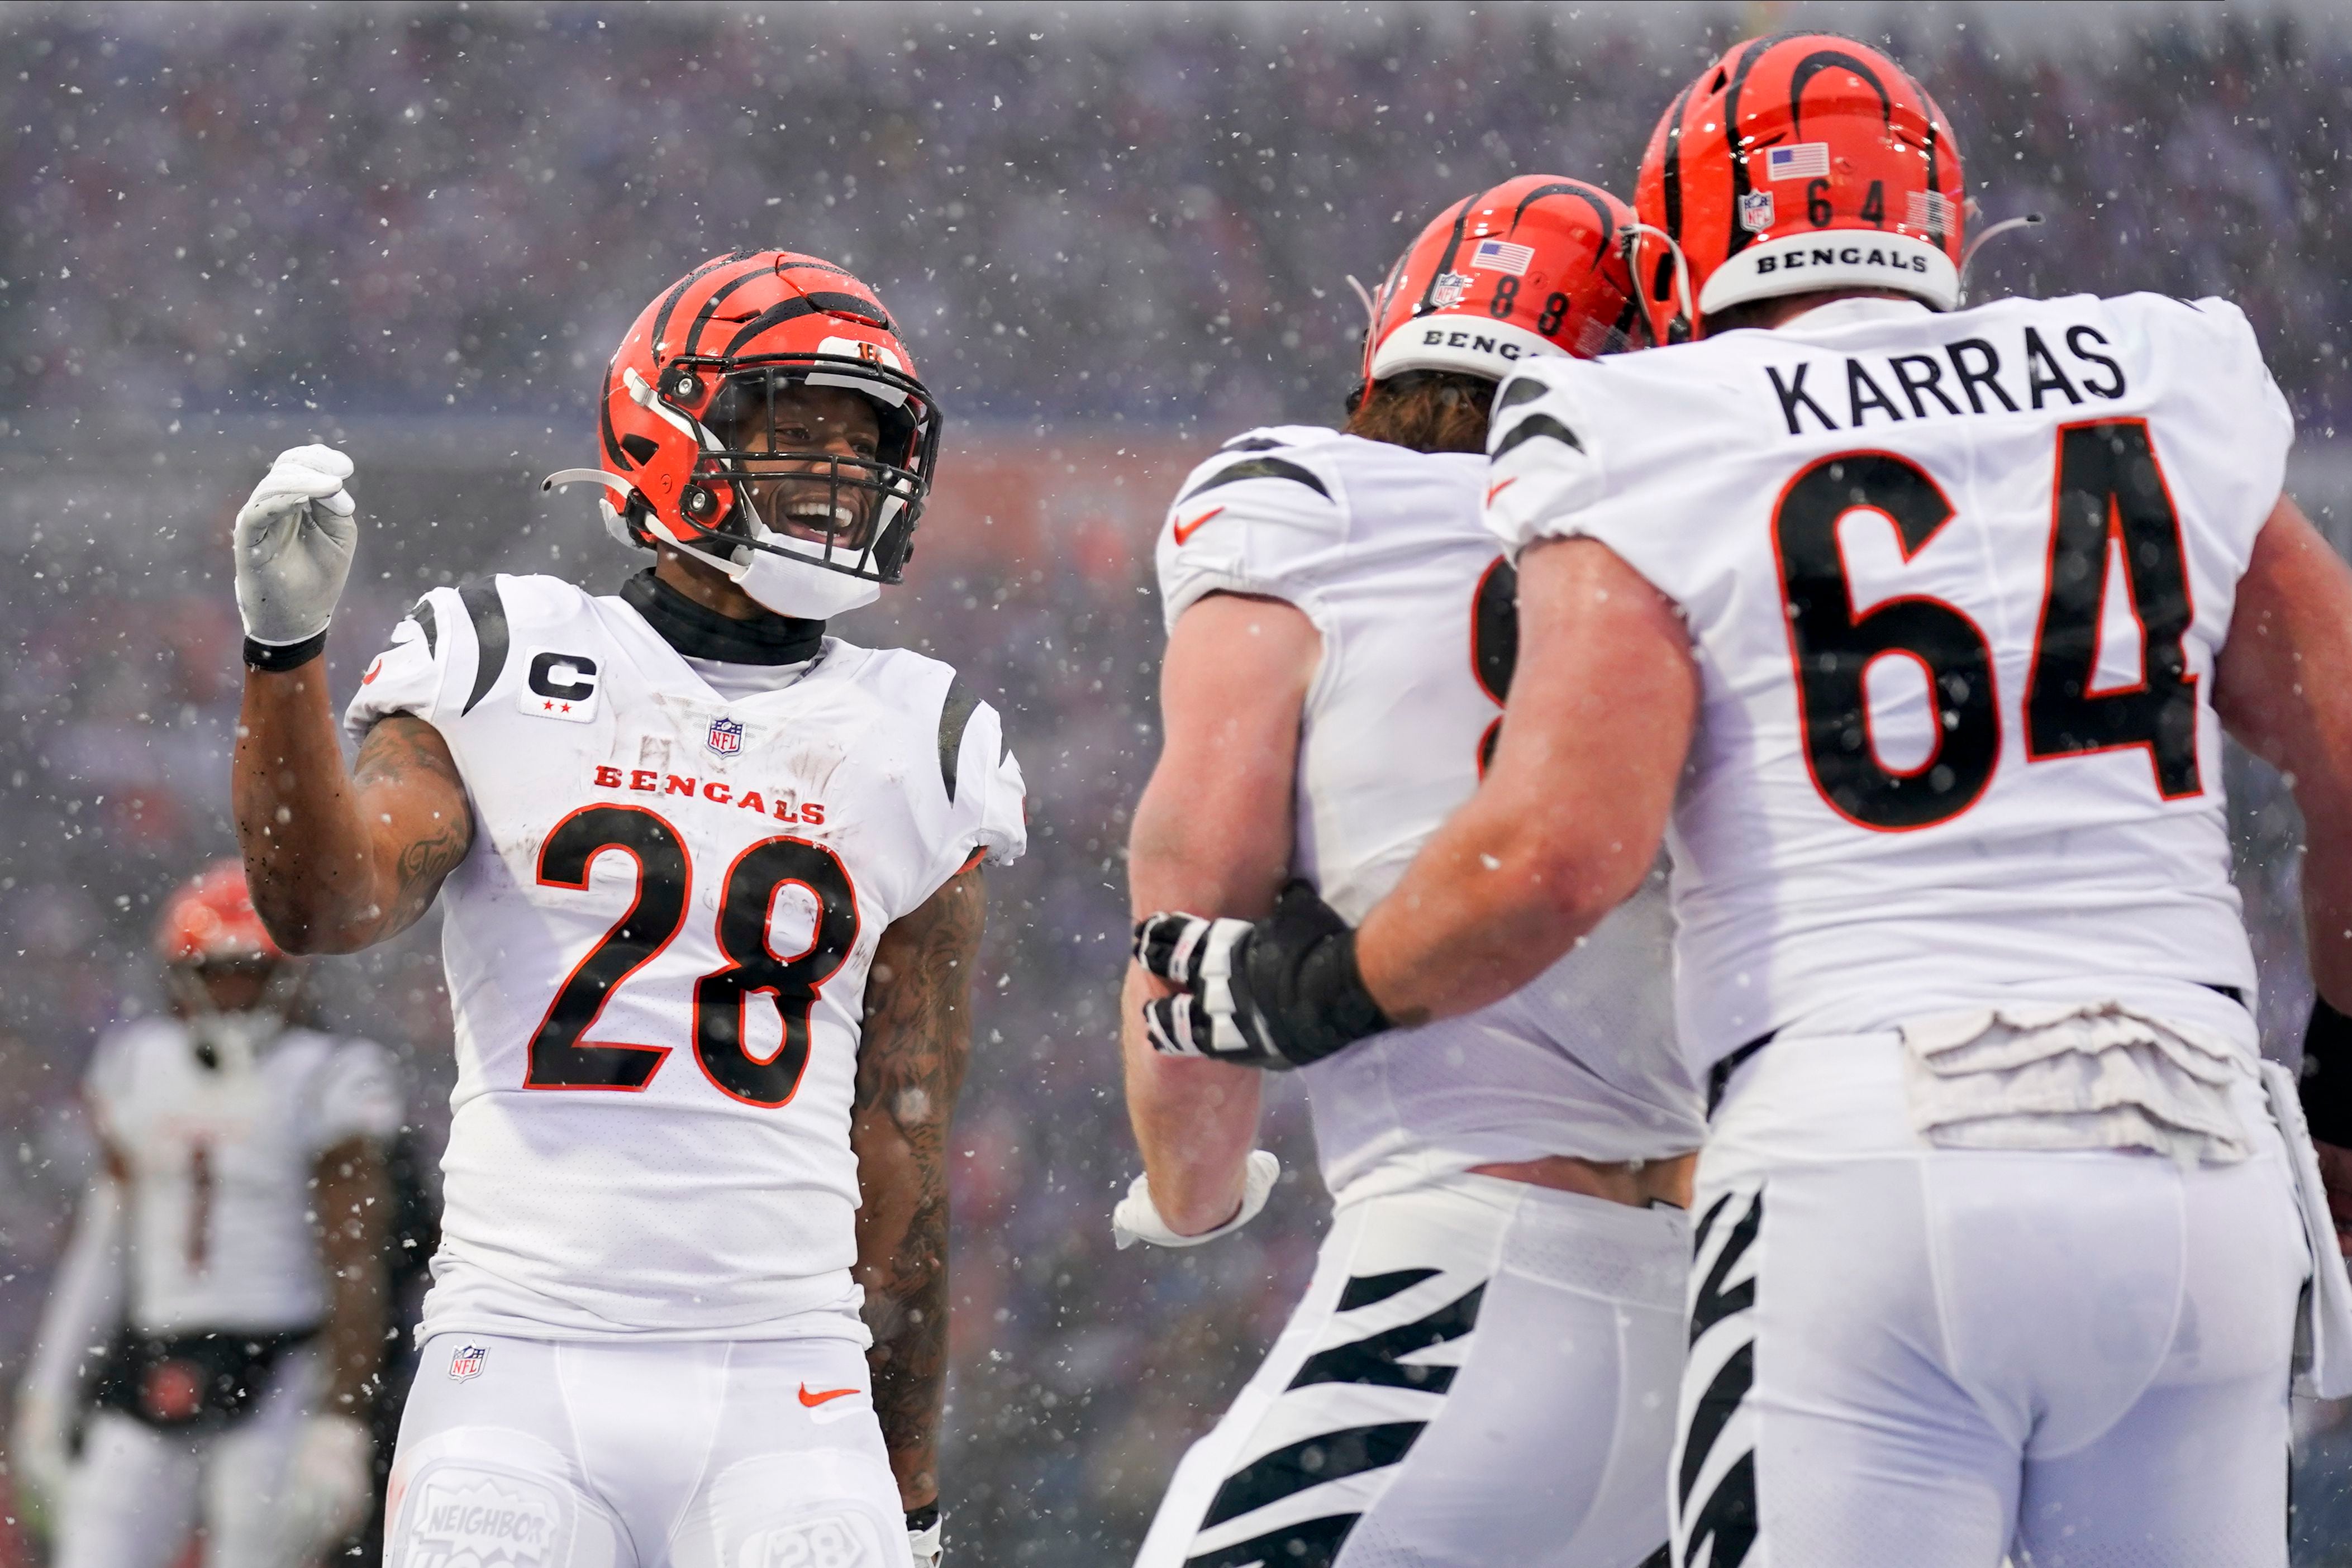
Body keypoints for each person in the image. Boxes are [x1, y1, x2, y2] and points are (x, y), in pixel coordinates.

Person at [1135, 34, 2352, 1568]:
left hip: (1867, 1147)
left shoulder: (1654, 425)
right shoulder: (2157, 367)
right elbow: (2344, 744)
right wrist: (2348, 1082)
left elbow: (1552, 858)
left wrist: (1309, 983)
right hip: (2197, 1152)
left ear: (1681, 243)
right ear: (1942, 227)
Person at [226, 250, 1026, 1568]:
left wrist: (914, 1476)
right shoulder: (497, 645)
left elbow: (903, 1138)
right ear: (670, 432)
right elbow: (324, 903)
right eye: (797, 429)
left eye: (864, 439)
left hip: (794, 1373)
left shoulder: (923, 734)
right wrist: (284, 657)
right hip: (520, 1362)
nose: (843, 469)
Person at [1121, 179, 1702, 1568]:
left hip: (1464, 1268)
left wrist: (1192, 1191)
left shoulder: (1299, 505)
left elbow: (1192, 915)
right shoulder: (1686, 526)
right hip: (1717, 1295)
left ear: (1391, 336)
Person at [11, 862, 400, 1567]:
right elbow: (105, 1243)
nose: (235, 992)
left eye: (252, 971)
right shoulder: (137, 1064)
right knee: (94, 1548)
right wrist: (48, 1391)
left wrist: (341, 1420)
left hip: (282, 1358)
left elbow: (354, 1255)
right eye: (219, 973)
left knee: (255, 1547)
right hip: (153, 1352)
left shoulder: (328, 1074)